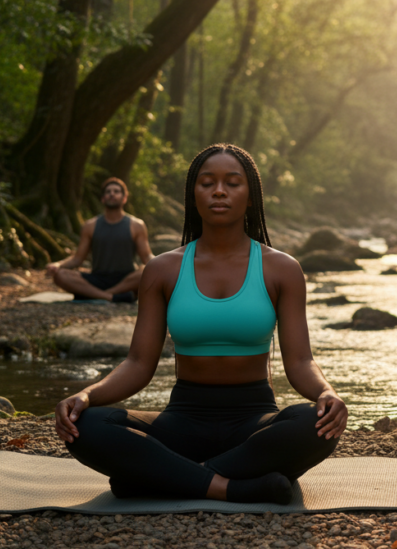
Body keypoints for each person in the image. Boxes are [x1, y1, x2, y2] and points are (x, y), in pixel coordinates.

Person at [54, 144, 347, 504]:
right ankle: (229, 486)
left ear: (251, 196)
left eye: (232, 183)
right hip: (182, 419)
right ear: (193, 196)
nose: (219, 191)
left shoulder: (281, 268)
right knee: (86, 426)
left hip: (253, 421)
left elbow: (301, 362)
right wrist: (85, 395)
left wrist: (326, 393)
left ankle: (165, 477)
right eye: (207, 183)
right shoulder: (163, 269)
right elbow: (138, 364)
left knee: (314, 423)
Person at [46, 178, 153, 303]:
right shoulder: (90, 226)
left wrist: (164, 263)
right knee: (61, 275)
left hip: (126, 279)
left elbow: (146, 256)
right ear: (102, 198)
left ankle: (95, 295)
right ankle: (112, 297)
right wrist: (57, 265)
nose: (112, 194)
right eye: (108, 192)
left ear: (124, 198)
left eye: (116, 191)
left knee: (146, 271)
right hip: (97, 278)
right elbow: (77, 259)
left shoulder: (136, 225)